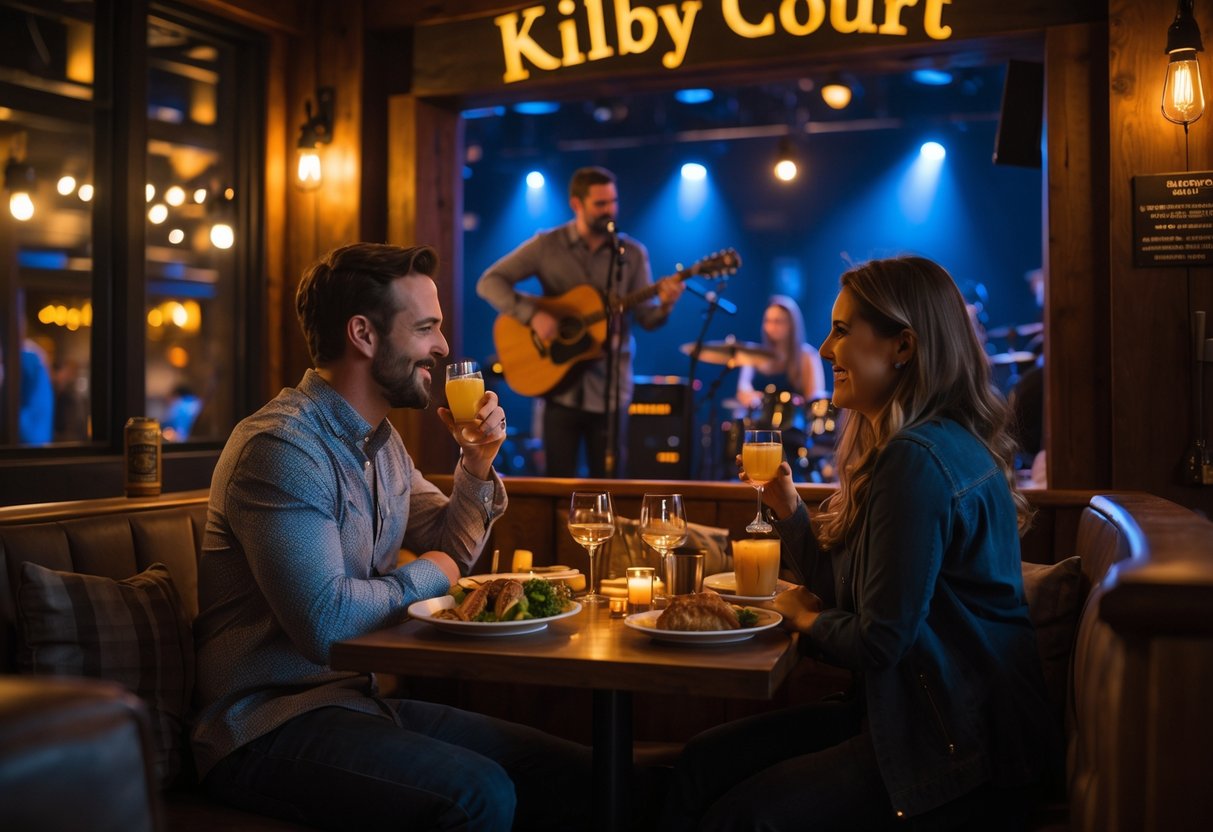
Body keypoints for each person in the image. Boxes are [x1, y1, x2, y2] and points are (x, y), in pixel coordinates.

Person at [192, 243, 591, 831]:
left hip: (357, 703)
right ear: (363, 334)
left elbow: (453, 546)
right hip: (263, 726)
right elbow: (327, 625)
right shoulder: (281, 448)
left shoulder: (383, 445)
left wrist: (477, 462)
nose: (444, 347)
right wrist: (432, 572)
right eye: (426, 328)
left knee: (575, 772)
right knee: (479, 793)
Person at [664, 256, 1058, 830]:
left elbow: (878, 642)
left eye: (842, 331)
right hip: (917, 716)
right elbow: (858, 601)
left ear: (903, 346)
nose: (826, 349)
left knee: (742, 817)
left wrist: (803, 617)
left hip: (959, 748)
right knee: (703, 761)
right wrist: (789, 509)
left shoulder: (915, 459)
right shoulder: (925, 444)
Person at [476, 165, 684, 477]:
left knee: (609, 485)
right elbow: (489, 282)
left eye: (613, 201)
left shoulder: (632, 254)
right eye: (600, 203)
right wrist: (533, 315)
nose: (610, 210)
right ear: (577, 204)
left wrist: (666, 304)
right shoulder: (548, 245)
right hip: (559, 386)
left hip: (611, 390)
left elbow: (647, 318)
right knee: (558, 482)